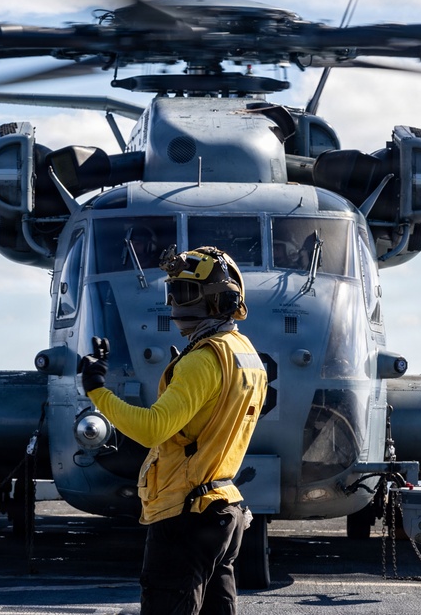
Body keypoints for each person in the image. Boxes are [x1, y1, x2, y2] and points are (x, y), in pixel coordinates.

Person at [79, 245, 268, 615]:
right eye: (173, 293)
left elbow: (152, 430)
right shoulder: (245, 353)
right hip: (225, 508)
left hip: (187, 516)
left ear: (217, 300)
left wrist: (96, 390)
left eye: (185, 294)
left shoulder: (202, 360)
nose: (175, 306)